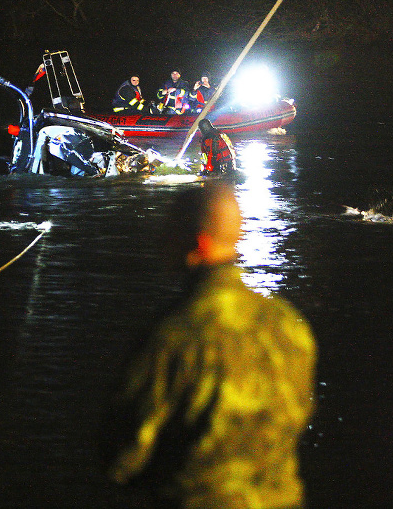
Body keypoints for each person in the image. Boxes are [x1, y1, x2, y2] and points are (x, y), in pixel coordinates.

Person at [100, 181, 316, 509]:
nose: (160, 242)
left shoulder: (175, 335)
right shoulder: (290, 326)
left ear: (198, 245)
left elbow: (124, 450)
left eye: (169, 232)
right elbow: (298, 418)